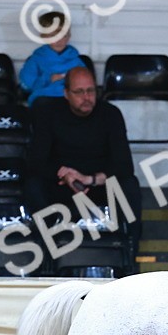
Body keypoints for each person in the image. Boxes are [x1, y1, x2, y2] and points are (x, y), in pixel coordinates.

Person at [25, 66, 142, 242]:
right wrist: (66, 175)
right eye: (79, 92)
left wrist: (91, 179)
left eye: (90, 91)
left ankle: (130, 249)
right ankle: (44, 251)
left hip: (97, 185)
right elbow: (36, 161)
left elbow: (124, 165)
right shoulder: (48, 113)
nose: (86, 98)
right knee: (33, 184)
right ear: (66, 94)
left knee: (129, 185)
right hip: (62, 183)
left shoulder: (110, 114)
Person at [18, 12, 85, 104]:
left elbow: (85, 83)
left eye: (63, 36)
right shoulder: (36, 59)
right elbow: (27, 85)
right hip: (44, 99)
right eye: (53, 36)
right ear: (44, 36)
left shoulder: (76, 60)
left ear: (69, 36)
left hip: (70, 100)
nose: (59, 40)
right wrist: (48, 79)